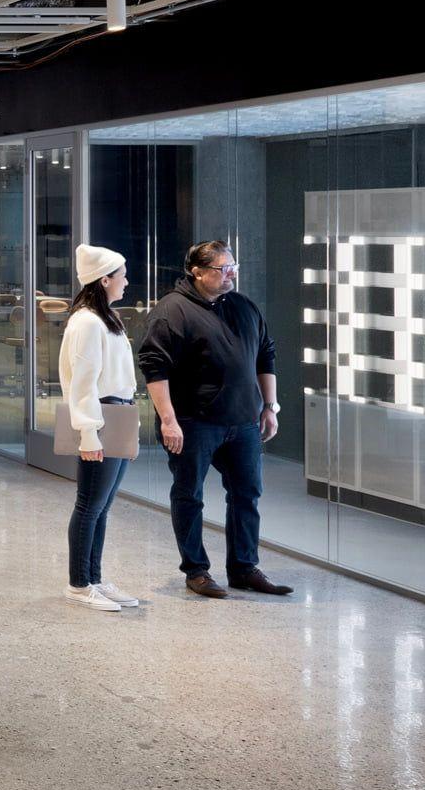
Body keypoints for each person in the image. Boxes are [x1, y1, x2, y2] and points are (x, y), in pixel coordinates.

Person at [137, 238, 293, 600]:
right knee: (189, 495)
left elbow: (265, 355)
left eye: (233, 267)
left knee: (246, 494)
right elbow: (154, 368)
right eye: (223, 269)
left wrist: (270, 407)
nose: (231, 275)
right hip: (194, 422)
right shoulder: (171, 311)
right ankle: (197, 571)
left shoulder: (243, 306)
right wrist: (168, 420)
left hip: (243, 422)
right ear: (197, 272)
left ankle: (243, 567)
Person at [59, 244, 143, 613]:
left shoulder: (104, 317)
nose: (126, 281)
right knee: (90, 506)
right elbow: (82, 383)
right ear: (104, 279)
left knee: (102, 506)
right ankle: (79, 584)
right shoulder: (88, 322)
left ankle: (94, 577)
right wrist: (89, 432)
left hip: (117, 414)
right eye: (122, 275)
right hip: (102, 417)